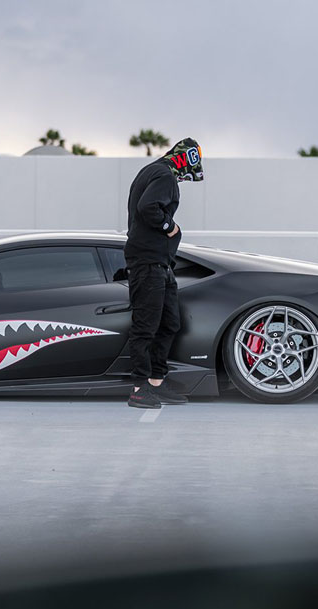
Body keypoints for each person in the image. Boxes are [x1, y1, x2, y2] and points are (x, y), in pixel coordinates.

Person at [123, 137, 204, 409]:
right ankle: (138, 389)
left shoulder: (154, 170)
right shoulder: (165, 175)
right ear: (185, 159)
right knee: (145, 327)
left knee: (169, 323)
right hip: (148, 262)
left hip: (159, 262)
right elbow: (148, 207)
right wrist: (170, 226)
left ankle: (157, 382)